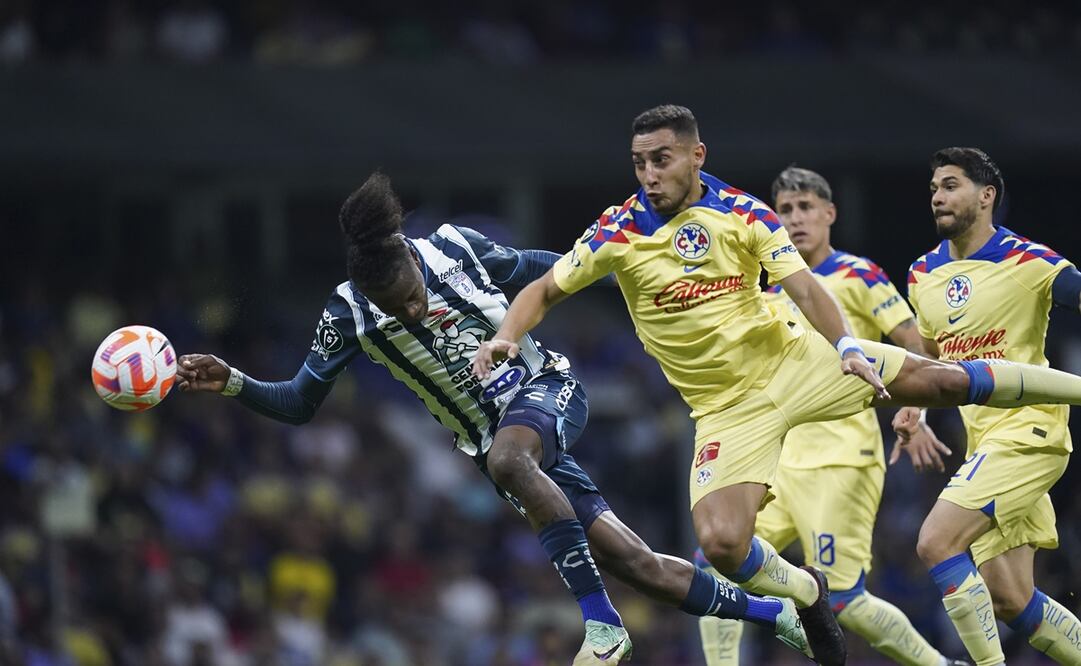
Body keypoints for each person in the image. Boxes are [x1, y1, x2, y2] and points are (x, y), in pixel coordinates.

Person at [472, 105, 1081, 666]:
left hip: (794, 359)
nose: (650, 174)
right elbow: (544, 288)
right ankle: (802, 589)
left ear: (696, 155)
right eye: (640, 162)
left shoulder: (741, 212)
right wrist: (506, 334)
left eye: (662, 159)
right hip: (725, 409)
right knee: (722, 544)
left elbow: (805, 287)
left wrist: (844, 346)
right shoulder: (619, 231)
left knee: (935, 382)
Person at [177, 172, 817, 666]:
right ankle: (775, 614)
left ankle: (602, 625)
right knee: (635, 563)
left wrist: (637, 270)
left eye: (411, 298)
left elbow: (551, 271)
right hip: (497, 445)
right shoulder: (348, 314)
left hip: (546, 391)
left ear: (411, 256)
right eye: (394, 311)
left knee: (511, 459)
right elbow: (296, 402)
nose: (411, 313)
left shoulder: (456, 248)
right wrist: (233, 382)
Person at [696, 166, 968, 666]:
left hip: (843, 458)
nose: (795, 219)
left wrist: (916, 409)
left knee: (841, 598)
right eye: (785, 210)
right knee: (716, 565)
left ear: (829, 214)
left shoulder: (858, 274)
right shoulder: (767, 289)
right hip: (779, 461)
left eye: (805, 208)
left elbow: (913, 345)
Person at [898, 147, 1081, 666]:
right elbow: (933, 354)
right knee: (1012, 600)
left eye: (951, 185)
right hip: (985, 446)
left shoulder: (1029, 262)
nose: (938, 196)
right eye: (934, 187)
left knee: (935, 542)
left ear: (986, 196)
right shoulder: (922, 274)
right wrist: (918, 410)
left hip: (1031, 436)